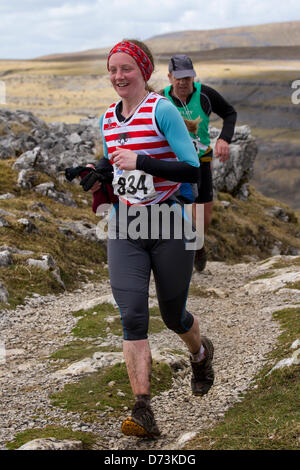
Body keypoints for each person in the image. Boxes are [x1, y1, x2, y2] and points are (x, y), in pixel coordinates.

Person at [89, 40, 215, 438]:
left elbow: (192, 170)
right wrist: (96, 170)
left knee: (172, 314)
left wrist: (142, 161)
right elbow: (118, 166)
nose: (118, 77)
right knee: (132, 315)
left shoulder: (161, 110)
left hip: (167, 222)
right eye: (112, 70)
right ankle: (143, 410)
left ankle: (200, 352)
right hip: (127, 225)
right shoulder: (109, 118)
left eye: (126, 69)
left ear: (144, 71)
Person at [161, 54, 237, 272]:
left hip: (201, 161)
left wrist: (224, 139)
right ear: (170, 77)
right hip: (174, 164)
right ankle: (181, 255)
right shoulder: (160, 99)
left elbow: (230, 113)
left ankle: (198, 244)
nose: (184, 82)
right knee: (177, 209)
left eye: (188, 77)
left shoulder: (205, 95)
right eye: (179, 77)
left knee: (204, 216)